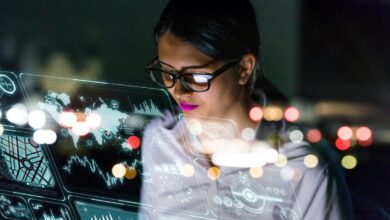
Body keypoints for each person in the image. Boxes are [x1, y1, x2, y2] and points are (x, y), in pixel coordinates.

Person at [140, 0, 354, 219]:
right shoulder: (160, 141)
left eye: (196, 76)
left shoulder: (303, 167)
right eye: (167, 73)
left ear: (243, 69)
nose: (179, 91)